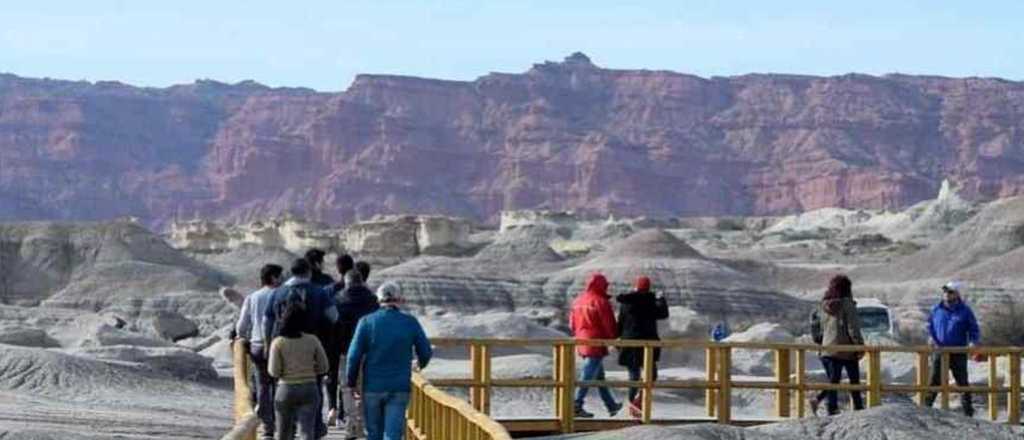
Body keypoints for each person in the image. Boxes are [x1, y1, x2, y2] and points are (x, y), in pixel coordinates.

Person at [346, 282, 432, 440]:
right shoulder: (410, 322)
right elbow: (426, 352)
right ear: (399, 299)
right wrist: (420, 365)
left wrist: (351, 382)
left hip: (372, 386)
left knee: (373, 434)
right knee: (393, 435)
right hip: (399, 386)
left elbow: (353, 356)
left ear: (378, 300)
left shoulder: (366, 322)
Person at [263, 258, 339, 438]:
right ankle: (315, 428)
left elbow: (267, 321)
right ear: (309, 272)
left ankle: (283, 429)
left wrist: (268, 345)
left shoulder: (277, 293)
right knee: (313, 396)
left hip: (282, 350)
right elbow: (334, 317)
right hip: (311, 353)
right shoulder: (319, 292)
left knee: (282, 396)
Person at [235, 264, 284, 439]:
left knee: (263, 385)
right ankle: (283, 425)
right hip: (279, 346)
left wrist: (241, 338)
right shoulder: (282, 295)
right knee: (280, 385)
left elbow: (242, 326)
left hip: (257, 346)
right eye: (280, 276)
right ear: (273, 278)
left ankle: (267, 428)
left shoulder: (252, 297)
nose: (283, 279)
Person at [269, 303, 329, 440]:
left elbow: (274, 371)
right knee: (307, 432)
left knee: (283, 433)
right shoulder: (312, 340)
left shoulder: (278, 342)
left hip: (285, 389)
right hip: (309, 388)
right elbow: (324, 367)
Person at [569, 273, 622, 418]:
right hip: (595, 342)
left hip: (581, 340)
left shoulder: (578, 300)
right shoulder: (600, 301)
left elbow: (571, 324)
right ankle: (576, 404)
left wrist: (580, 333)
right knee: (588, 373)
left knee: (599, 376)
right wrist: (613, 338)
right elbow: (609, 323)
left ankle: (611, 405)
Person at [615, 276, 669, 419]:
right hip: (647, 344)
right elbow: (663, 314)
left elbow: (620, 322)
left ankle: (632, 404)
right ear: (648, 287)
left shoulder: (626, 302)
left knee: (634, 375)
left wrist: (618, 340)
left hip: (629, 343)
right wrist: (661, 299)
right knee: (651, 375)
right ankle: (638, 401)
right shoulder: (650, 302)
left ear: (635, 287)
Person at [924, 280, 980, 417]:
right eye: (945, 291)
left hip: (958, 351)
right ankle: (925, 410)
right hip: (940, 350)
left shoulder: (965, 311)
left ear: (957, 294)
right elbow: (929, 326)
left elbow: (974, 329)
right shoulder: (936, 309)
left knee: (962, 382)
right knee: (934, 381)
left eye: (950, 292)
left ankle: (968, 413)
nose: (946, 294)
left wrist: (973, 342)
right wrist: (930, 337)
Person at [335, 270, 380, 440]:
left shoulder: (338, 300)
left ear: (346, 282)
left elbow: (333, 326)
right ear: (361, 282)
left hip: (345, 351)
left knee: (347, 389)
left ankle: (351, 425)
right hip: (369, 352)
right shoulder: (373, 301)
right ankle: (363, 425)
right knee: (366, 389)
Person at [817, 274, 865, 416]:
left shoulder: (824, 305)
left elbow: (819, 328)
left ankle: (830, 408)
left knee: (834, 380)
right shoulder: (847, 304)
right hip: (847, 349)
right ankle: (858, 408)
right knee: (854, 380)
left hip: (828, 348)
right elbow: (852, 327)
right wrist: (859, 345)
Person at [326, 253, 355, 427]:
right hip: (351, 341)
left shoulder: (331, 290)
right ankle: (342, 413)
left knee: (332, 375)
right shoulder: (359, 290)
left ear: (338, 268)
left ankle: (332, 408)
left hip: (333, 339)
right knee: (346, 378)